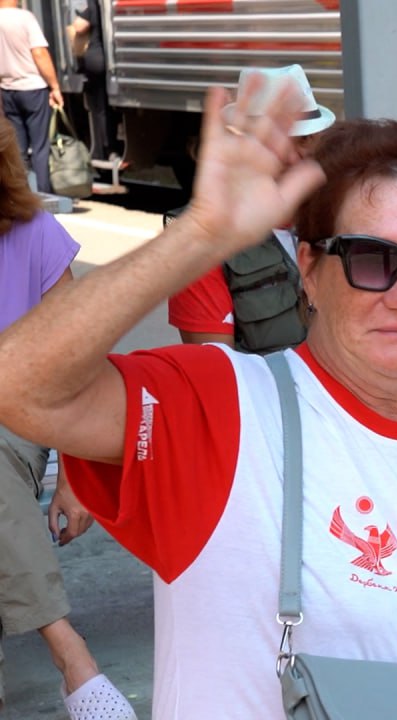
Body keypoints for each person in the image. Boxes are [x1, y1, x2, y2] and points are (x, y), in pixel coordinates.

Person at [0, 71, 397, 720]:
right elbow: (19, 387)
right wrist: (199, 236)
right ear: (308, 270)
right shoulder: (218, 405)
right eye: (372, 259)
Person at [0, 120, 135, 719]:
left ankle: (70, 656)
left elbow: (78, 368)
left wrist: (76, 475)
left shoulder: (33, 233)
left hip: (14, 430)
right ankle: (71, 655)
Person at [168, 64, 335, 355]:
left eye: (304, 139)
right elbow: (218, 368)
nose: (293, 156)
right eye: (276, 141)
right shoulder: (200, 241)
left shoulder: (341, 214)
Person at [0, 0, 63, 193]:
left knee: (18, 149)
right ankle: (44, 194)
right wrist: (55, 86)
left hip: (7, 90)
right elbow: (39, 53)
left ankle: (22, 194)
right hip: (33, 89)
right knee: (40, 147)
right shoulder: (25, 18)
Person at [66, 0, 123, 177]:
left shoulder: (91, 6)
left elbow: (79, 26)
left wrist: (77, 14)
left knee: (98, 110)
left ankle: (104, 149)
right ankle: (107, 148)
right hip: (104, 62)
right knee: (104, 108)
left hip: (95, 62)